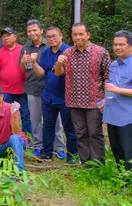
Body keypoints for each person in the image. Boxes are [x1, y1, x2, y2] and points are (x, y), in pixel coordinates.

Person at [55, 23, 110, 166]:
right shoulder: (67, 53)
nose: (78, 37)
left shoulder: (100, 52)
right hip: (74, 101)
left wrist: (106, 98)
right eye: (75, 34)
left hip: (94, 101)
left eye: (81, 34)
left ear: (88, 34)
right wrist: (59, 63)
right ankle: (86, 164)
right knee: (80, 134)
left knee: (95, 133)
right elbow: (58, 73)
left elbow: (107, 76)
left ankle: (98, 165)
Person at [32, 26, 78, 164]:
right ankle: (47, 153)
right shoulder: (46, 53)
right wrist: (33, 62)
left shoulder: (69, 51)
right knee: (48, 125)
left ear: (61, 36)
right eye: (49, 37)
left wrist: (59, 62)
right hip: (48, 95)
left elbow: (60, 73)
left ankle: (72, 155)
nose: (51, 39)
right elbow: (41, 74)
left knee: (69, 127)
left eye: (54, 36)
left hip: (65, 96)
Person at [20, 19, 65, 158]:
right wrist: (23, 61)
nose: (32, 33)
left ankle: (59, 147)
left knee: (56, 121)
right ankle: (38, 146)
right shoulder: (26, 47)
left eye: (35, 30)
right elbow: (22, 69)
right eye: (29, 31)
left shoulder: (50, 45)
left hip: (51, 89)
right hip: (32, 87)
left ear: (41, 31)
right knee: (35, 120)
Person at [0, 27, 31, 136]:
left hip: (23, 89)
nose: (6, 38)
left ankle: (27, 138)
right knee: (5, 114)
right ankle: (7, 135)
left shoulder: (23, 49)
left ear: (15, 37)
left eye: (8, 35)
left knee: (26, 115)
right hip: (6, 89)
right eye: (4, 36)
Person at [103, 30, 132, 178]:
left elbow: (116, 88)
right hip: (112, 115)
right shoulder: (113, 64)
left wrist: (118, 90)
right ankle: (122, 179)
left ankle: (128, 182)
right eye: (115, 44)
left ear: (130, 46)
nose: (117, 47)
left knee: (129, 152)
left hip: (128, 117)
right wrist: (104, 100)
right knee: (117, 150)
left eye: (121, 44)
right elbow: (111, 88)